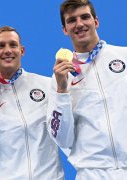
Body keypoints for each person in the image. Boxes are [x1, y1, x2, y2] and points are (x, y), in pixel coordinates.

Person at [0, 26, 64, 180]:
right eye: (1, 46)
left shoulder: (47, 85)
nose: (7, 50)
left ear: (22, 50)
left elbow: (64, 135)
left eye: (13, 45)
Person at [47, 0, 127, 179]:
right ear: (65, 29)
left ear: (96, 22)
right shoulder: (61, 77)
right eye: (72, 20)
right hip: (92, 174)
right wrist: (61, 89)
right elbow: (62, 140)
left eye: (85, 17)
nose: (80, 24)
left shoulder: (124, 56)